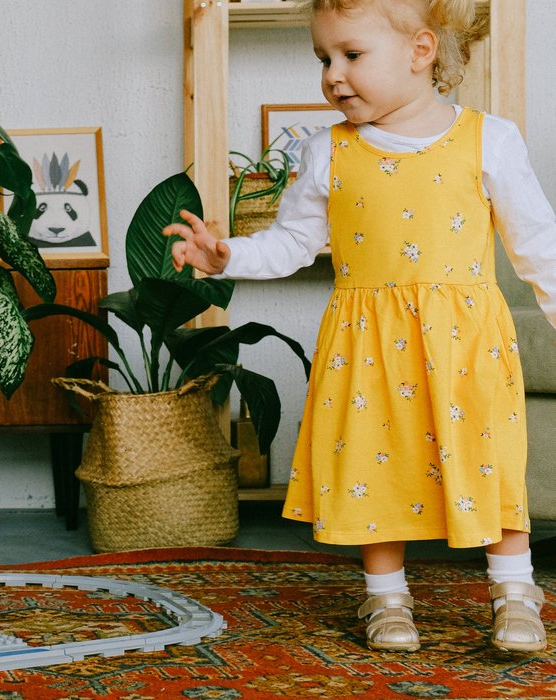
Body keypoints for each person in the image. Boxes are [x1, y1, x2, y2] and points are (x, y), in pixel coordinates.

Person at [164, 0, 556, 653]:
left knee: (488, 462)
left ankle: (515, 591)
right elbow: (291, 243)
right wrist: (227, 254)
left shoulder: (490, 138)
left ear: (420, 52)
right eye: (323, 58)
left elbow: (538, 247)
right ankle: (386, 596)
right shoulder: (328, 151)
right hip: (368, 347)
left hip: (466, 345)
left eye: (351, 55)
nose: (332, 75)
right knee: (377, 467)